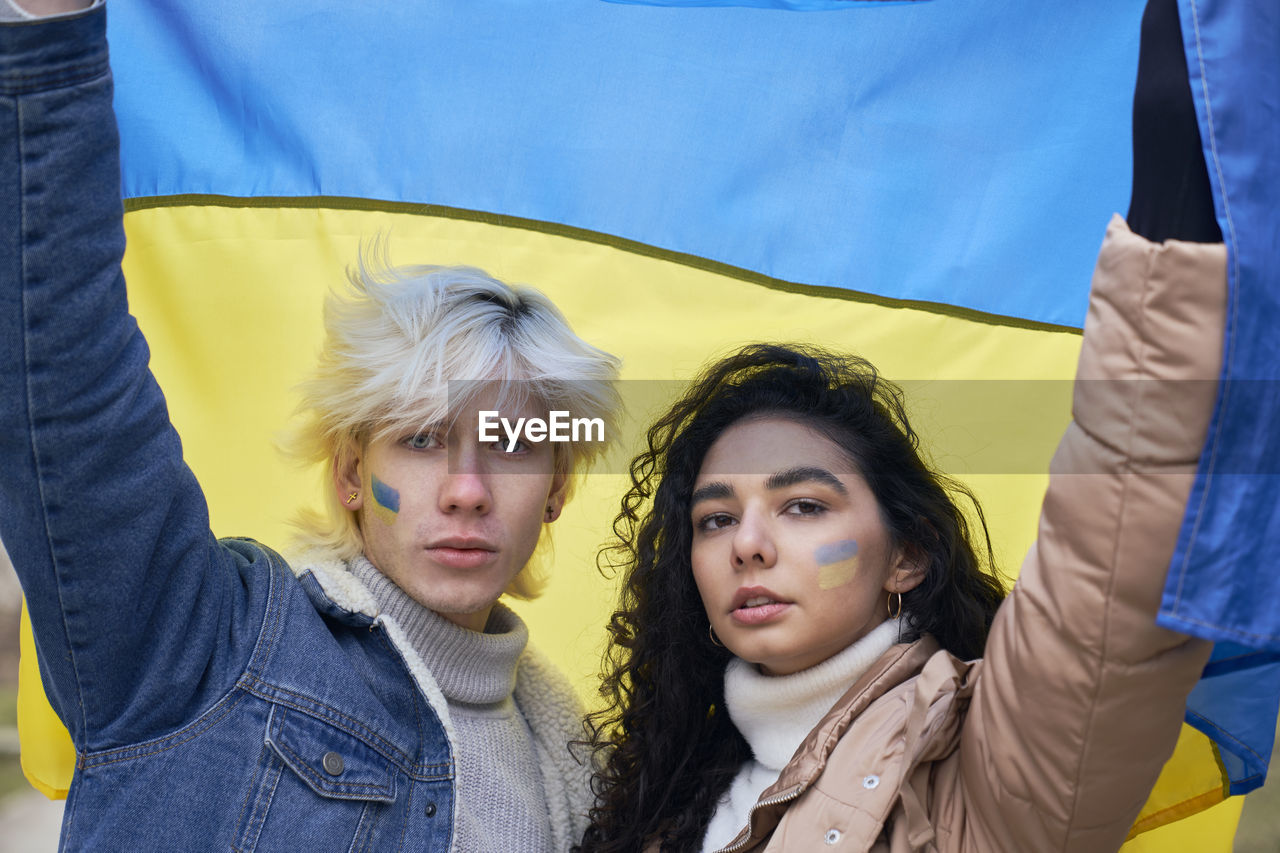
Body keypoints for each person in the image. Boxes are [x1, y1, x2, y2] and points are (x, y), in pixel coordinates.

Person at [575, 1, 1229, 849]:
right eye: (715, 517)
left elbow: (1115, 561)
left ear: (908, 556)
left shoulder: (986, 767)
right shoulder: (654, 805)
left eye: (803, 505)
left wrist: (1189, 113)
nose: (749, 543)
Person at [0, 3, 620, 850]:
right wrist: (43, 37)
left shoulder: (592, 785)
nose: (469, 490)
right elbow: (61, 378)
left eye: (512, 447)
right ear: (350, 473)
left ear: (557, 491)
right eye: (424, 438)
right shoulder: (204, 646)